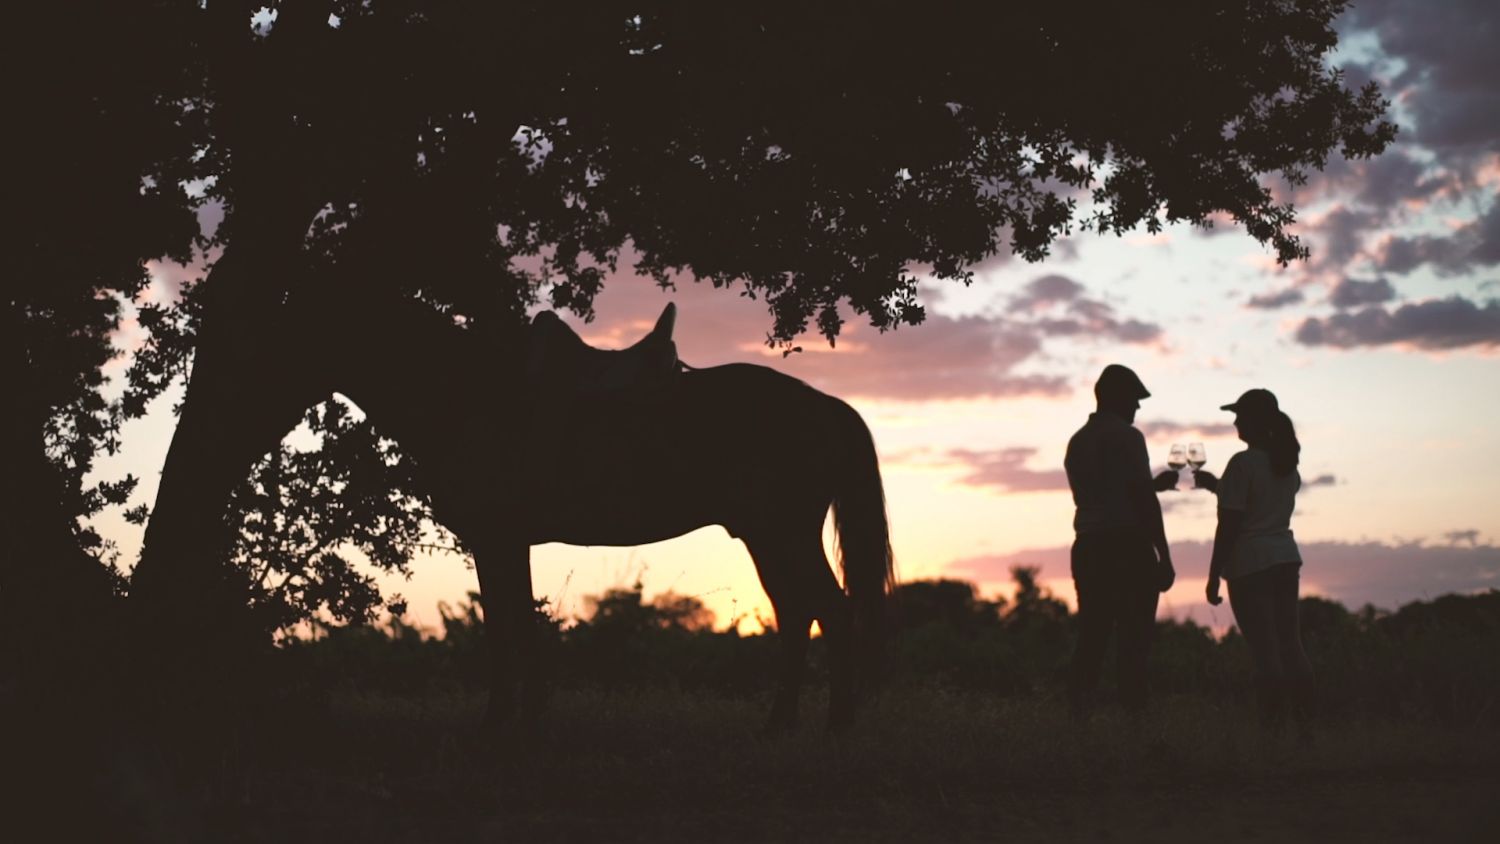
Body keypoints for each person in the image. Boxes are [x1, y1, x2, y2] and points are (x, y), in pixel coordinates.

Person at [1193, 388, 1314, 732]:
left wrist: (1214, 574)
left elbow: (1230, 524)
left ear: (1256, 421)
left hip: (1250, 564)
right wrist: (1218, 486)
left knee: (1265, 654)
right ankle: (1305, 730)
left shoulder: (1242, 463)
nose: (1235, 422)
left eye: (1240, 415)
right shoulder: (1287, 466)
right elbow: (1260, 504)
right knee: (1292, 645)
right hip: (1285, 558)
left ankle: (1272, 734)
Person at [1063, 364, 1176, 716]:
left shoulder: (1078, 441)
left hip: (1089, 548)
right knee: (1134, 644)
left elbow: (1104, 491)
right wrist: (1164, 556)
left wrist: (1148, 486)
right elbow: (1142, 500)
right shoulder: (1129, 437)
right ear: (1116, 398)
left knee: (1091, 640)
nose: (1138, 407)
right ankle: (1135, 730)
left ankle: (1078, 726)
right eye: (1135, 398)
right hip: (1127, 549)